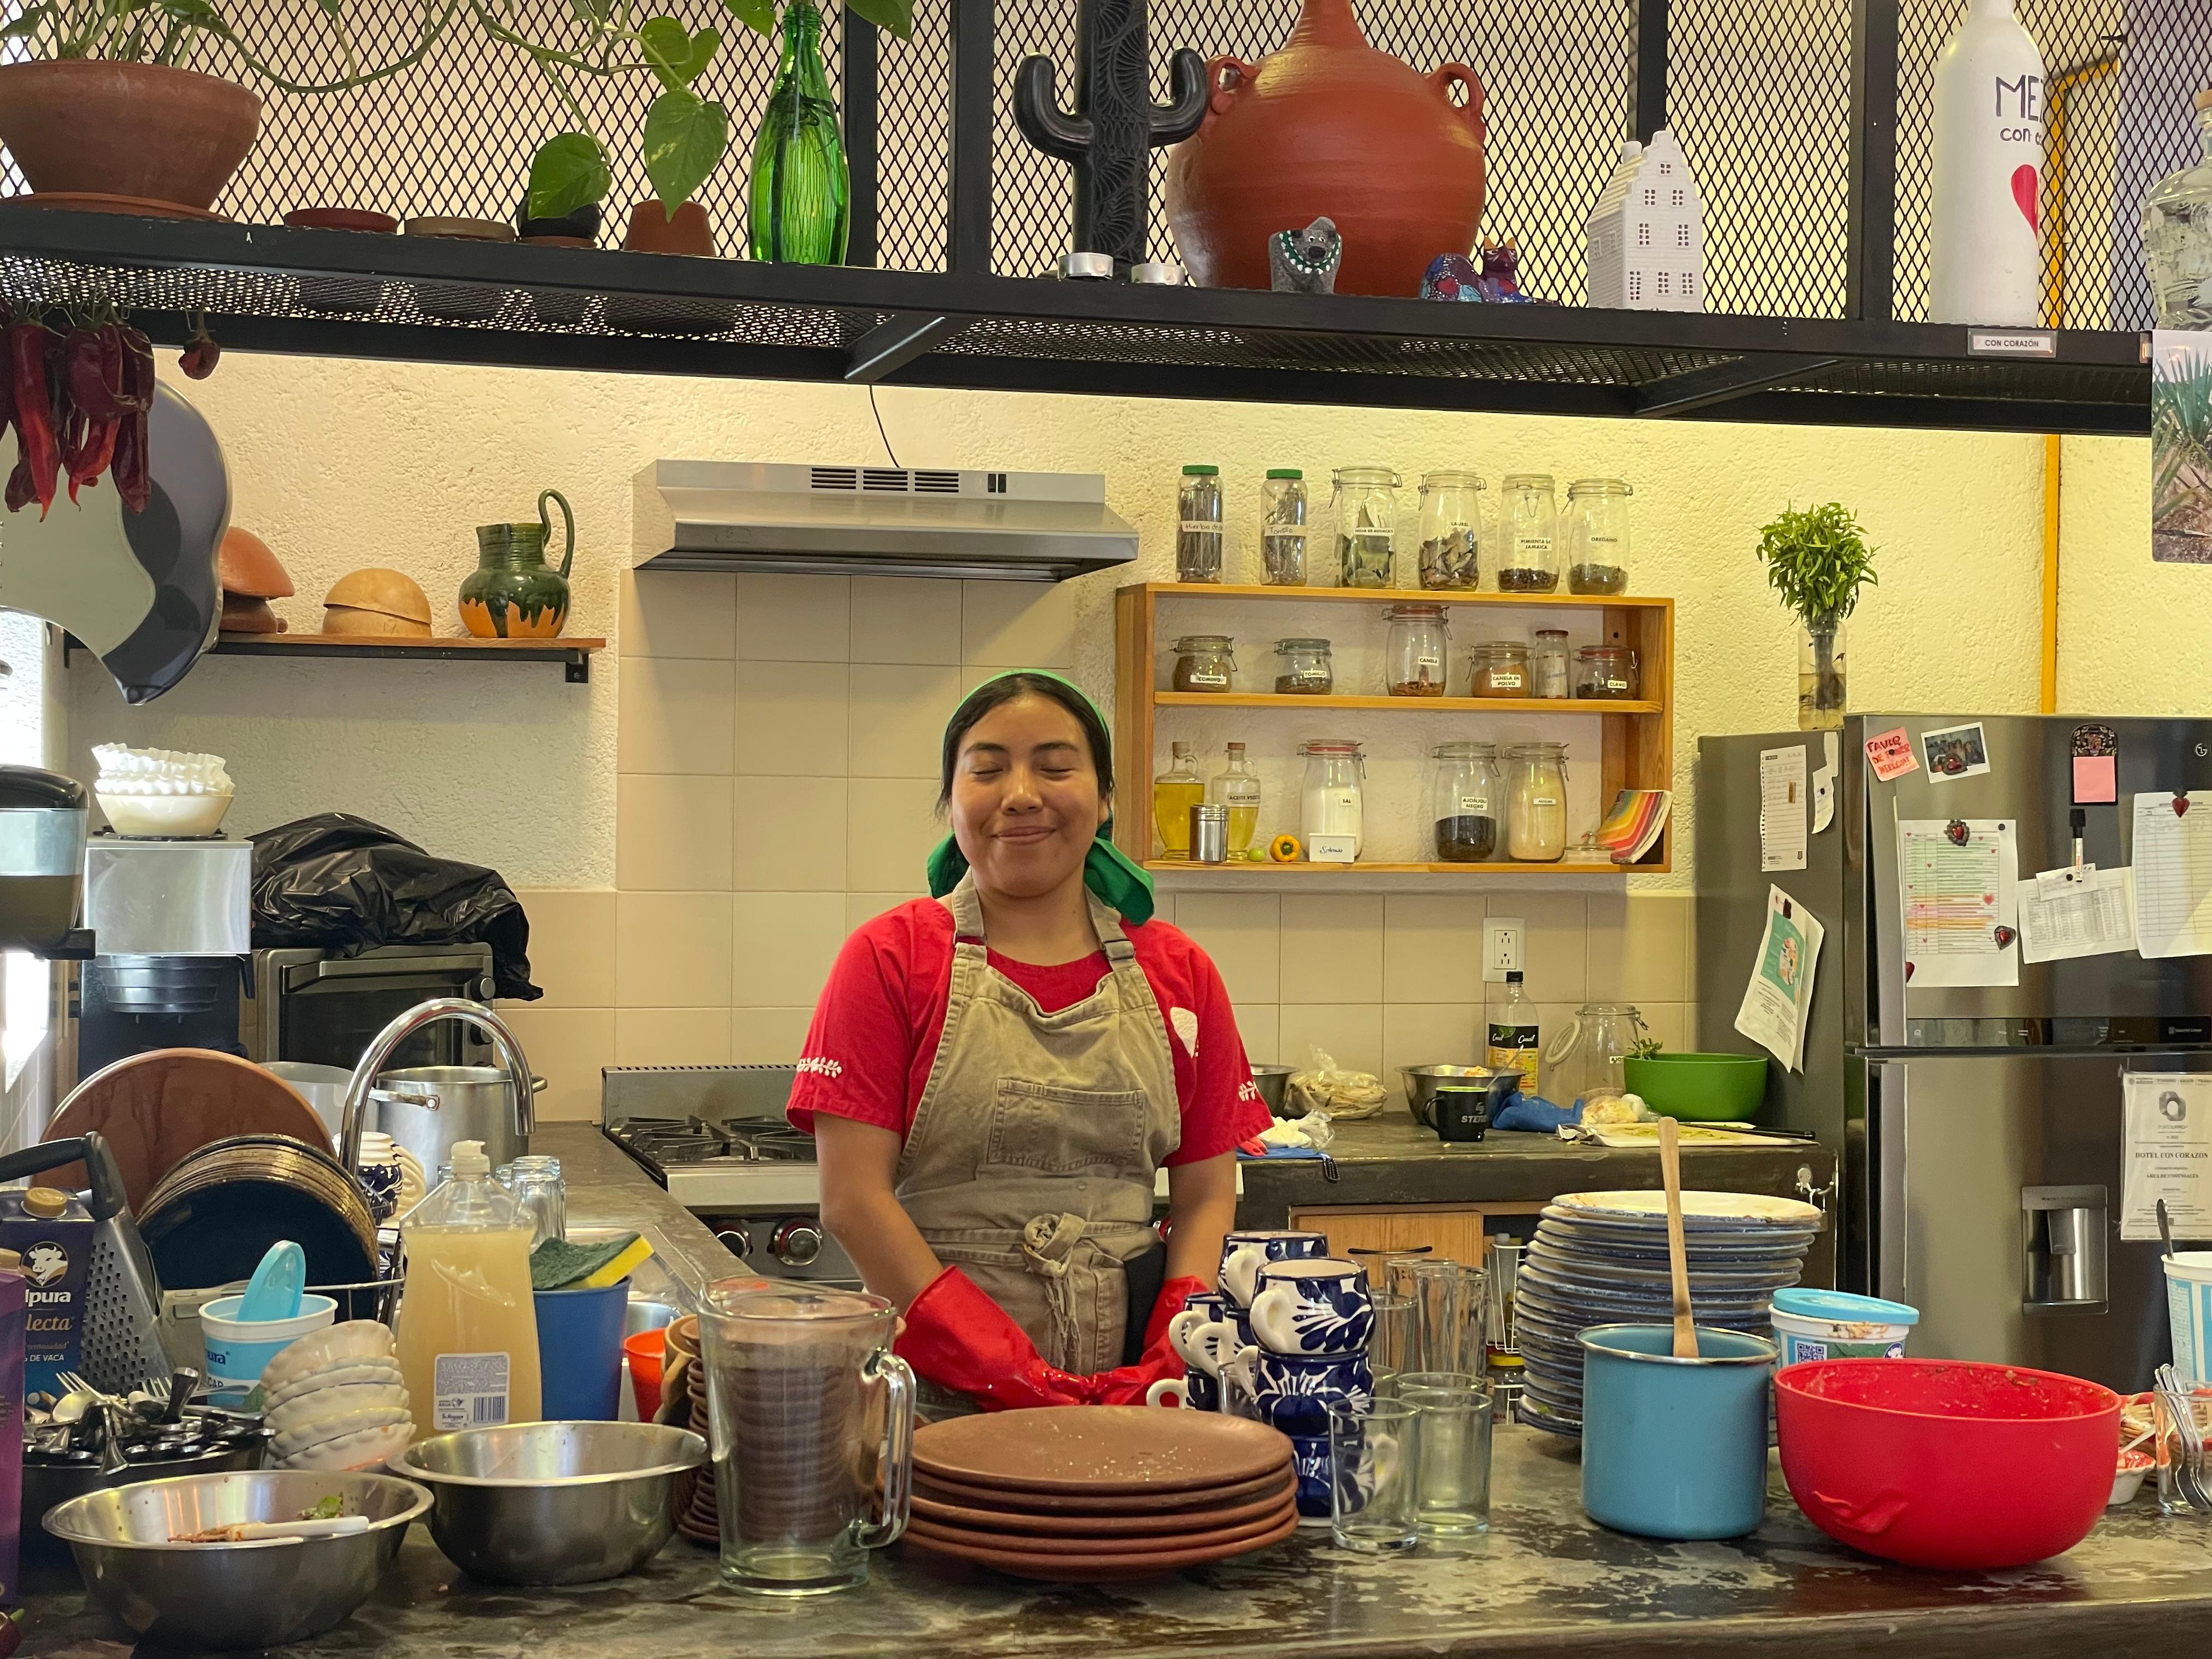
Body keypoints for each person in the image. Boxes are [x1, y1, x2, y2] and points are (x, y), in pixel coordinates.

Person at [787, 671, 1271, 1412]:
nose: (1020, 793)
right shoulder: (891, 958)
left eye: (1054, 767)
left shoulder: (1179, 971)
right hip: (935, 1400)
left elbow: (1208, 1197)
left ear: (1106, 799)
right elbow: (852, 1200)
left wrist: (1173, 1339)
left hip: (1136, 1398)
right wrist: (998, 1363)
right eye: (986, 770)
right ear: (951, 803)